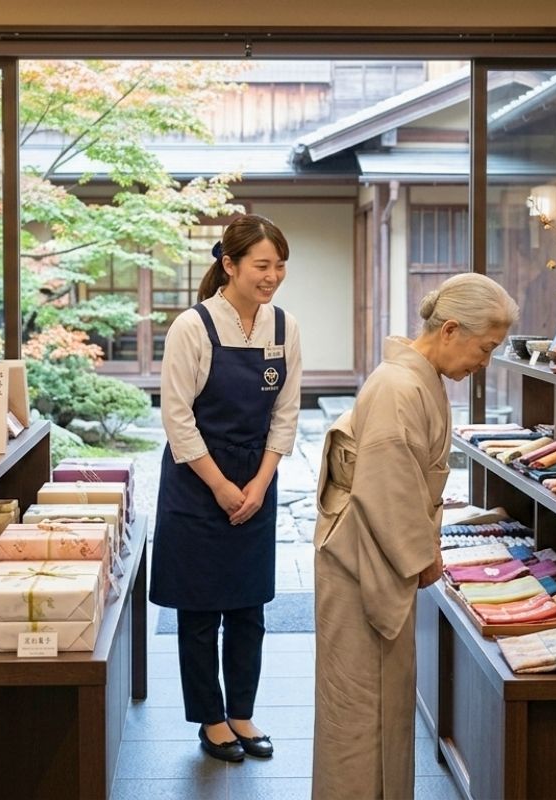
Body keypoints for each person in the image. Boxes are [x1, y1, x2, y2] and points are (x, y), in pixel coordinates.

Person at [311, 273, 518, 799]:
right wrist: (425, 556)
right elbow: (388, 490)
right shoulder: (401, 386)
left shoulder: (416, 378)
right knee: (360, 710)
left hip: (372, 553)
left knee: (378, 704)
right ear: (450, 329)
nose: (484, 363)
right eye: (484, 347)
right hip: (361, 557)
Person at [149, 214, 301, 763]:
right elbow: (177, 416)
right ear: (229, 265)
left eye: (279, 265)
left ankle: (242, 711)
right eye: (262, 265)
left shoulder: (283, 327)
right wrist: (219, 485)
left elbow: (286, 414)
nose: (273, 276)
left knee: (248, 606)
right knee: (199, 609)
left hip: (257, 478)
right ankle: (211, 719)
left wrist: (260, 483)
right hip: (196, 481)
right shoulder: (193, 326)